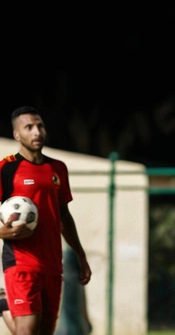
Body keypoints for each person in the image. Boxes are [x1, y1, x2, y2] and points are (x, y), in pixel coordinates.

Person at [0, 106, 92, 335]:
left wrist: (80, 254)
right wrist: (2, 232)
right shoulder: (7, 168)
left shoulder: (57, 168)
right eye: (28, 127)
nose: (36, 132)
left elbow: (64, 216)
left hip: (52, 263)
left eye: (39, 126)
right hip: (20, 261)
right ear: (17, 135)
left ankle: (3, 304)